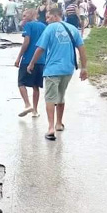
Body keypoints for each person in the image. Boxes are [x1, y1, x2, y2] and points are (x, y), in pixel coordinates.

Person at [27, 7, 88, 141]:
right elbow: (82, 49)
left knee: (50, 98)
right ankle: (59, 123)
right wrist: (84, 68)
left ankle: (50, 128)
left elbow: (40, 49)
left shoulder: (50, 29)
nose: (47, 20)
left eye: (49, 17)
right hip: (68, 69)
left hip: (52, 69)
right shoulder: (72, 29)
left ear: (55, 16)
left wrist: (31, 63)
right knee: (61, 96)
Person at [15, 9, 47, 118]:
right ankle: (35, 111)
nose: (23, 18)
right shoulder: (44, 26)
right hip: (41, 60)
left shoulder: (28, 26)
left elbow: (26, 42)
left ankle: (27, 104)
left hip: (28, 59)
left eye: (24, 16)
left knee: (21, 82)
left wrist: (19, 57)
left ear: (31, 15)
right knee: (36, 85)